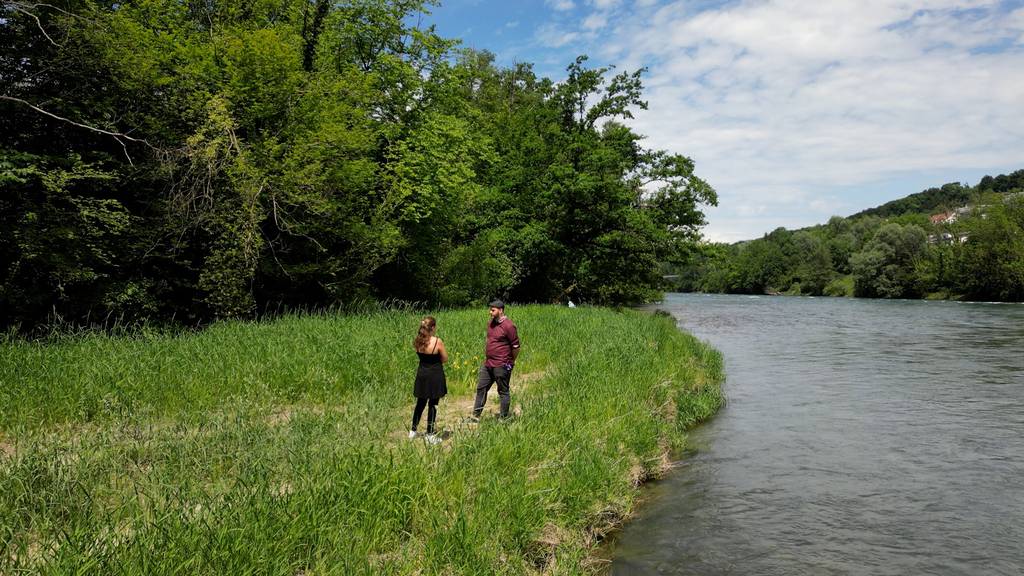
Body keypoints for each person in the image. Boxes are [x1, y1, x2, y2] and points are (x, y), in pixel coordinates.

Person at [472, 299, 520, 420]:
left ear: (501, 310)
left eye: (493, 310)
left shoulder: (509, 326)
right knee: (481, 388)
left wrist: (511, 360)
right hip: (488, 363)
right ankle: (475, 416)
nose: (490, 312)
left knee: (503, 391)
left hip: (502, 363)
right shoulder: (491, 323)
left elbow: (516, 346)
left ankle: (503, 418)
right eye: (490, 309)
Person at [411, 316, 447, 444]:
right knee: (433, 404)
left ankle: (413, 431)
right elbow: (444, 359)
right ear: (432, 328)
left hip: (422, 374)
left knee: (420, 403)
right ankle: (430, 434)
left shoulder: (418, 341)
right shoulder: (437, 341)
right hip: (434, 375)